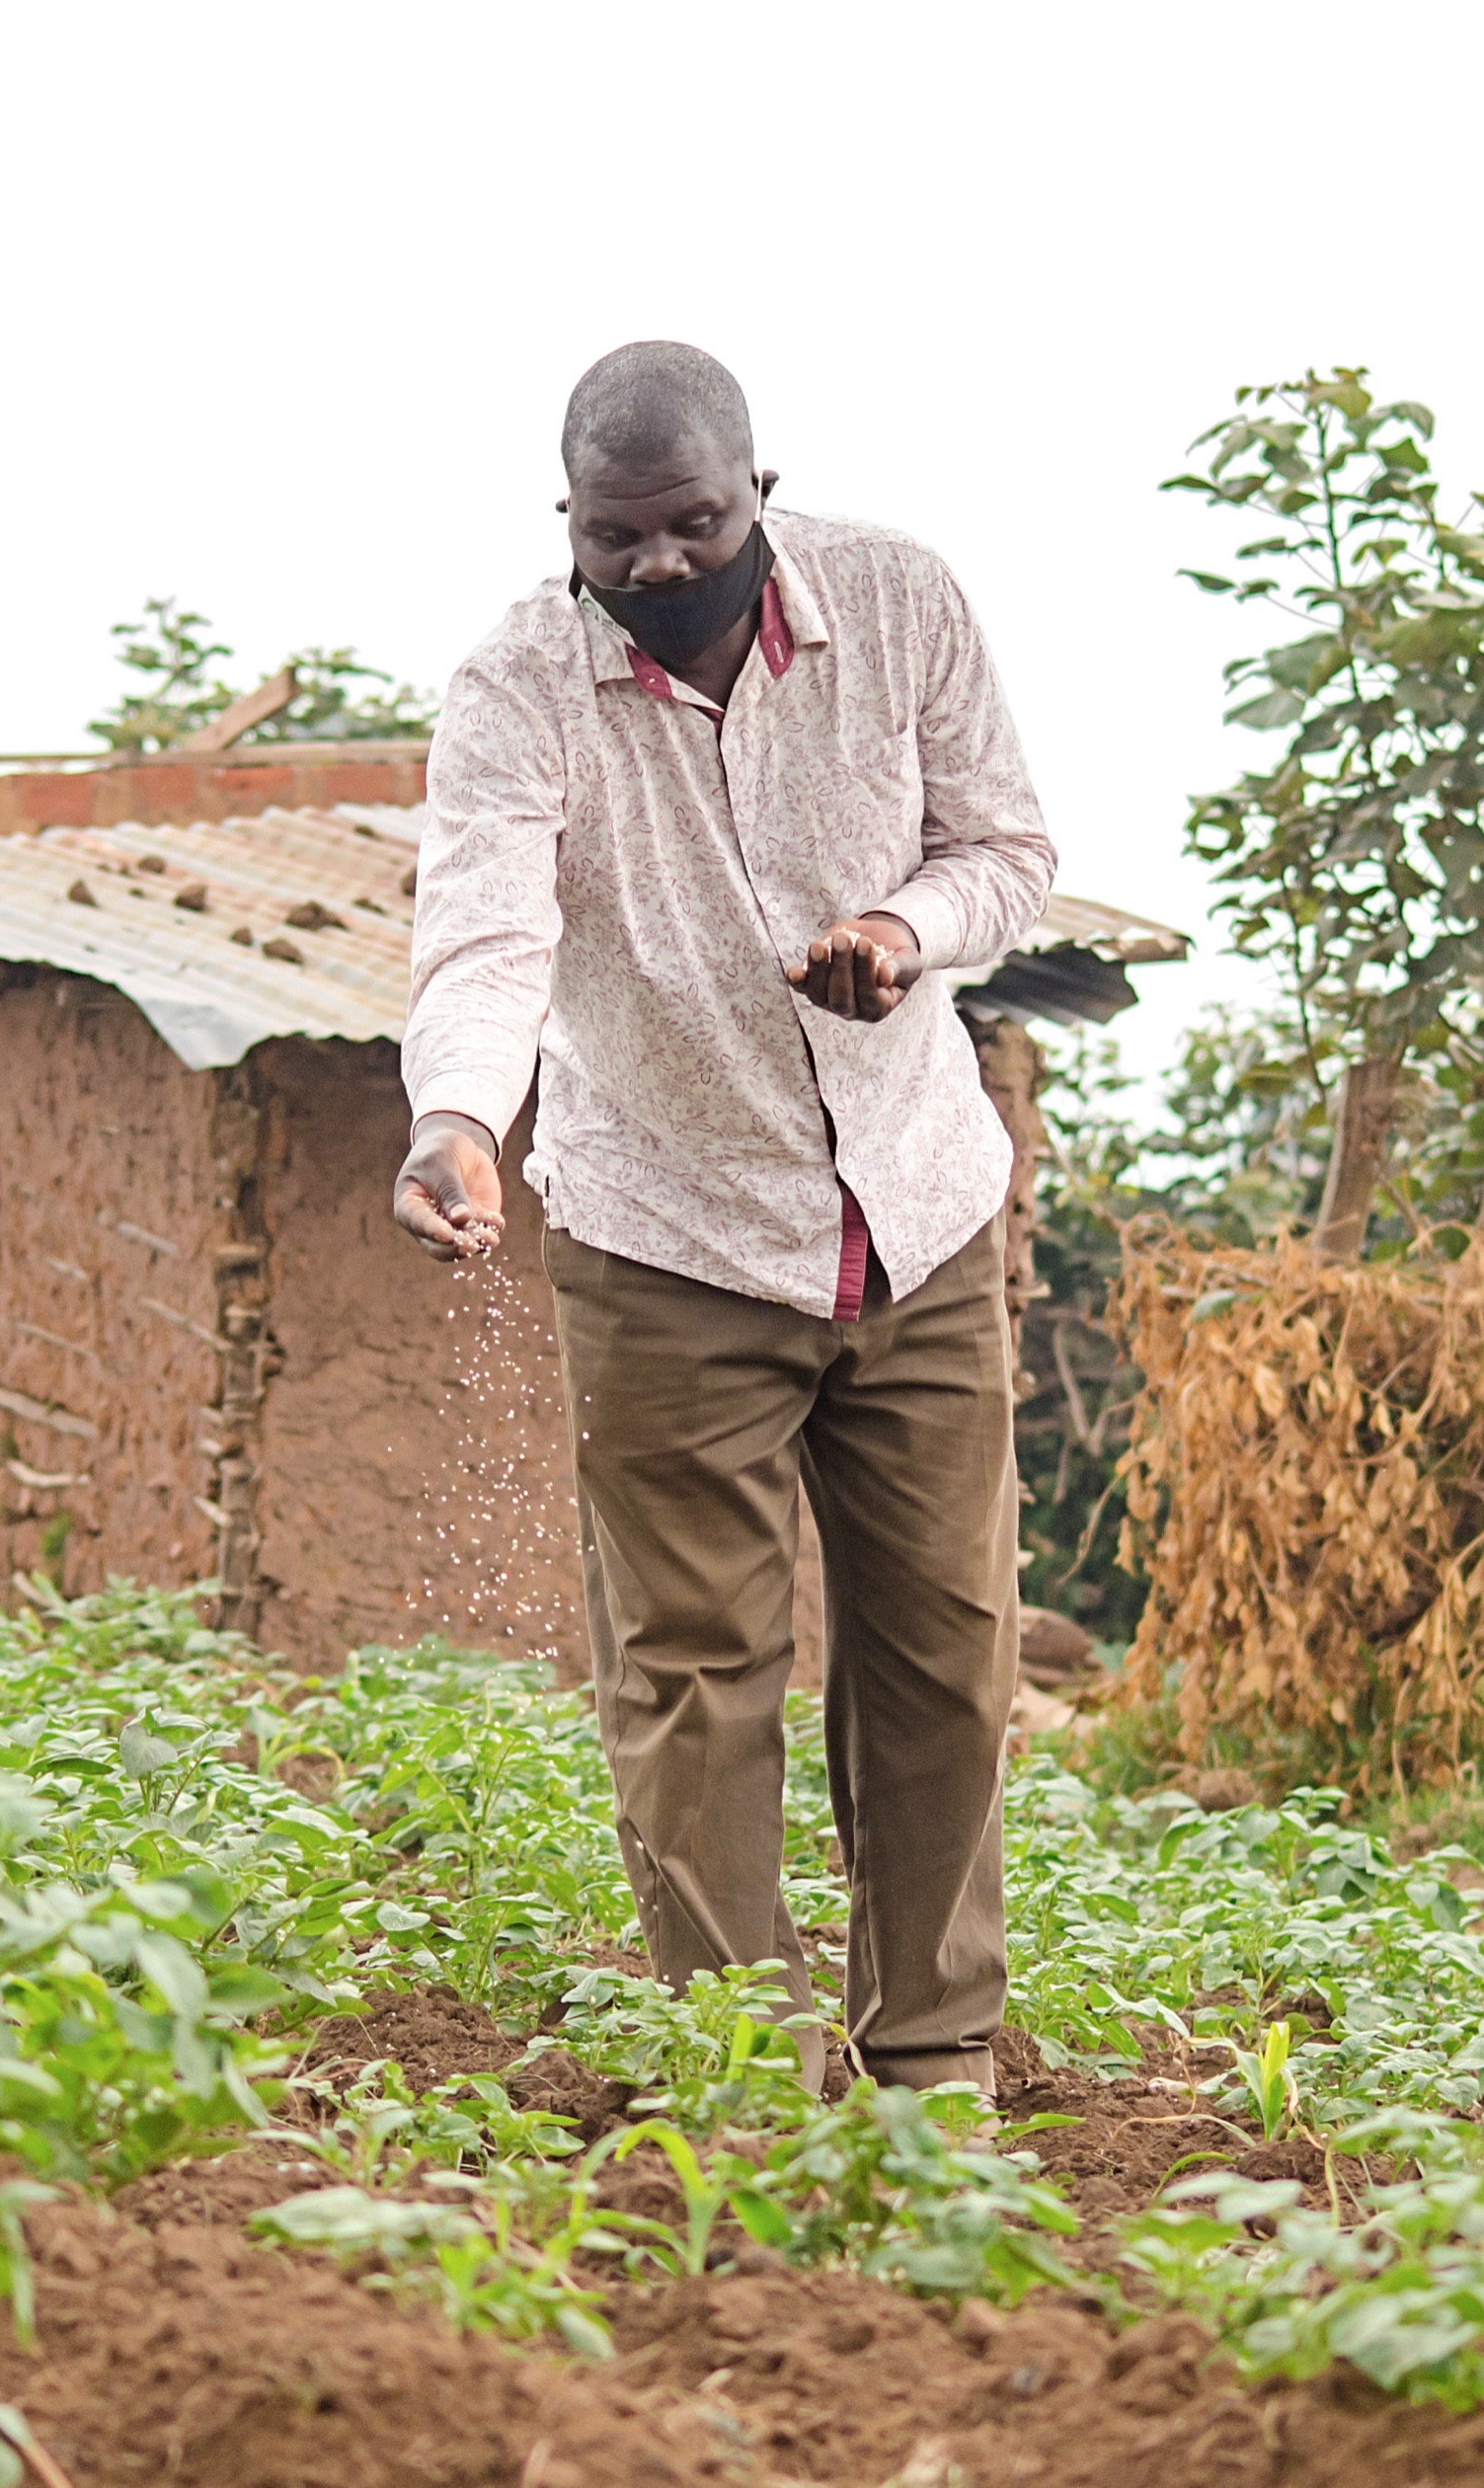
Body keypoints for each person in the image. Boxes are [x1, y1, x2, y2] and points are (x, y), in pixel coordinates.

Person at [392, 341, 1056, 2094]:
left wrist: (909, 933)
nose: (662, 566)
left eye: (695, 523)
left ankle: (930, 2059)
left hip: (912, 1209)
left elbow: (1007, 848)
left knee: (944, 1647)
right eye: (621, 537)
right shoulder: (517, 687)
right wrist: (459, 1116)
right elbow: (482, 926)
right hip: (665, 1232)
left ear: (758, 489)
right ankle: (750, 2079)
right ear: (570, 524)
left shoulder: (902, 604)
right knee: (695, 1674)